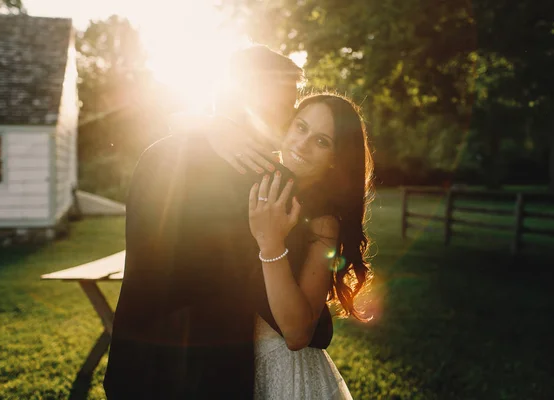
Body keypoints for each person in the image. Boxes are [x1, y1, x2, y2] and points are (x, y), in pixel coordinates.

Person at [103, 45, 334, 399]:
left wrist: (206, 125)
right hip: (208, 376)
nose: (288, 116)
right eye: (287, 103)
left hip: (135, 365)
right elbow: (293, 321)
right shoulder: (270, 183)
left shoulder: (157, 154)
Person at [226, 93, 373, 398]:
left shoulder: (323, 221)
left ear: (336, 159)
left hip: (283, 372)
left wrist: (270, 242)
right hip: (228, 363)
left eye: (322, 141)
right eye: (301, 127)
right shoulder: (254, 179)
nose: (302, 144)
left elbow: (297, 334)